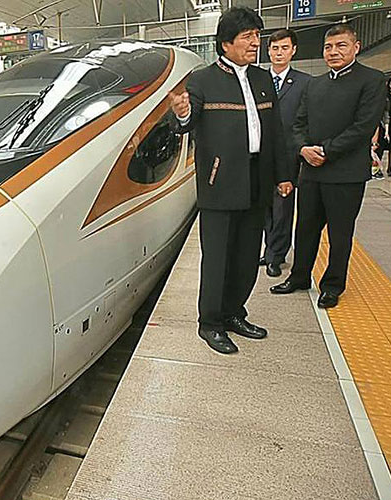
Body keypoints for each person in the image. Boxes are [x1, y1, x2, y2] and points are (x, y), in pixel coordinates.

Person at [169, 7, 292, 354]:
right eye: (247, 37)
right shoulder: (203, 80)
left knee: (247, 254)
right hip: (220, 182)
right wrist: (182, 113)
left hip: (257, 177)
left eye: (257, 36)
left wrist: (283, 175)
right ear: (225, 43)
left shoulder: (262, 79)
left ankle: (235, 312)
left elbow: (276, 132)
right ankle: (210, 323)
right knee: (217, 258)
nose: (255, 43)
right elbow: (185, 122)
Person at [270, 24, 386, 308]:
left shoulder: (372, 80)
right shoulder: (315, 84)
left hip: (346, 174)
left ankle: (333, 285)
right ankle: (299, 277)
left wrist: (326, 150)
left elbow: (364, 126)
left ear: (356, 47)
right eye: (328, 47)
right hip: (311, 171)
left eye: (341, 46)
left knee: (340, 234)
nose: (333, 52)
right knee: (305, 228)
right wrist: (303, 149)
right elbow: (299, 123)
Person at [260, 29, 311, 278]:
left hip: (289, 156)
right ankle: (269, 247)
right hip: (260, 156)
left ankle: (276, 256)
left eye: (284, 48)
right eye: (275, 48)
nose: (279, 53)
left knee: (282, 208)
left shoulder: (305, 82)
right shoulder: (258, 80)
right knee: (264, 207)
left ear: (293, 51)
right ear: (268, 51)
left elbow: (306, 120)